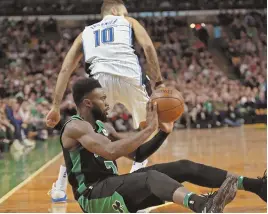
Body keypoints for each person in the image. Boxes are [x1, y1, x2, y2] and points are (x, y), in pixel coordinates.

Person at [60, 78, 238, 213]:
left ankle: (252, 184)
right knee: (150, 177)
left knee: (181, 167)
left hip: (111, 187)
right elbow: (110, 152)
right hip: (92, 197)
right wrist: (149, 128)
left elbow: (137, 154)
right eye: (103, 99)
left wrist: (162, 132)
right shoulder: (75, 127)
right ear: (88, 103)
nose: (107, 104)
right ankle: (203, 206)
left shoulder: (103, 127)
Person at [46, 0, 164, 202]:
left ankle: (60, 186)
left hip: (98, 84)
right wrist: (158, 82)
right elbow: (148, 47)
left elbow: (66, 69)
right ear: (117, 11)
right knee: (149, 124)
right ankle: (138, 165)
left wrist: (55, 106)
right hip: (130, 78)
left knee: (80, 132)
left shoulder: (86, 33)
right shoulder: (128, 21)